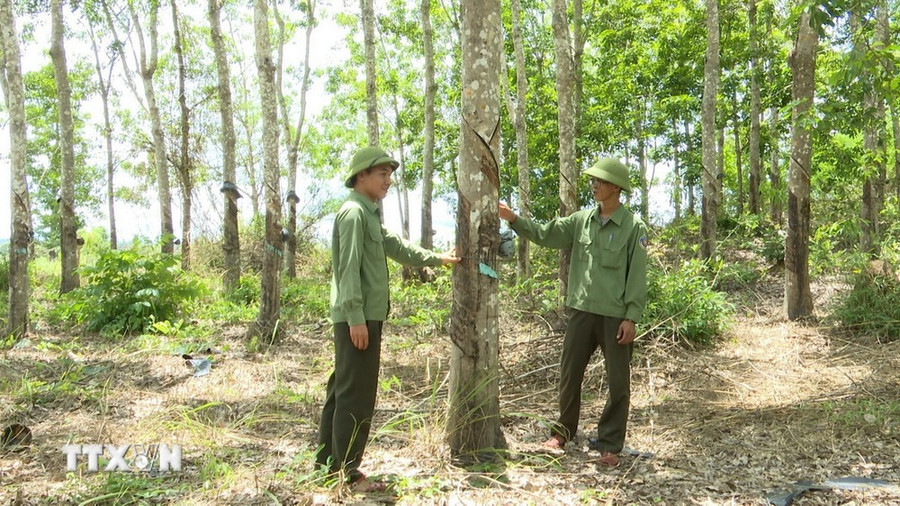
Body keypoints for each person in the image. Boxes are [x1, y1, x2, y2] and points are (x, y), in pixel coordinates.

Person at [316, 146, 460, 492]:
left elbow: (396, 247)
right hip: (359, 317)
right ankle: (347, 475)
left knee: (343, 389)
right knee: (356, 395)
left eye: (390, 175)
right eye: (382, 174)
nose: (388, 181)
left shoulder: (368, 215)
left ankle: (328, 464)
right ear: (361, 176)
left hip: (364, 316)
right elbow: (346, 268)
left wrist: (437, 258)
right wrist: (355, 318)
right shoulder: (352, 213)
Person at [498, 157, 648, 468]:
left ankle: (610, 444)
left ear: (617, 188)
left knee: (618, 382)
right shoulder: (581, 220)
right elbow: (545, 234)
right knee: (569, 374)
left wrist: (631, 316)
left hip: (615, 316)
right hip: (582, 312)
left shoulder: (634, 227)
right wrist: (514, 218)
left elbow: (637, 275)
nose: (594, 185)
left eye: (601, 181)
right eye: (593, 180)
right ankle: (562, 433)